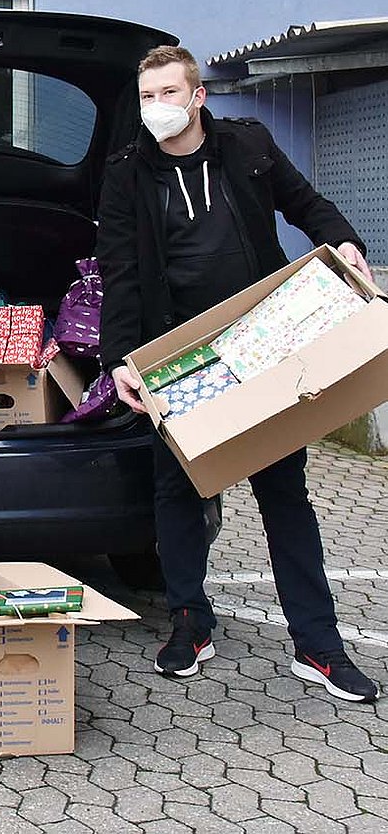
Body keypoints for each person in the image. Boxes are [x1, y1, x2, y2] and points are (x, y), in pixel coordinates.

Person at [99, 45, 379, 703]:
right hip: (178, 358)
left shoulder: (248, 146)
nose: (157, 107)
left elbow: (307, 204)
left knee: (284, 494)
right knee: (178, 493)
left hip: (263, 347)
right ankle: (190, 623)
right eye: (147, 96)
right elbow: (120, 272)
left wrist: (345, 242)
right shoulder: (127, 174)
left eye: (169, 93)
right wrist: (120, 361)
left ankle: (319, 645)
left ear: (198, 96)